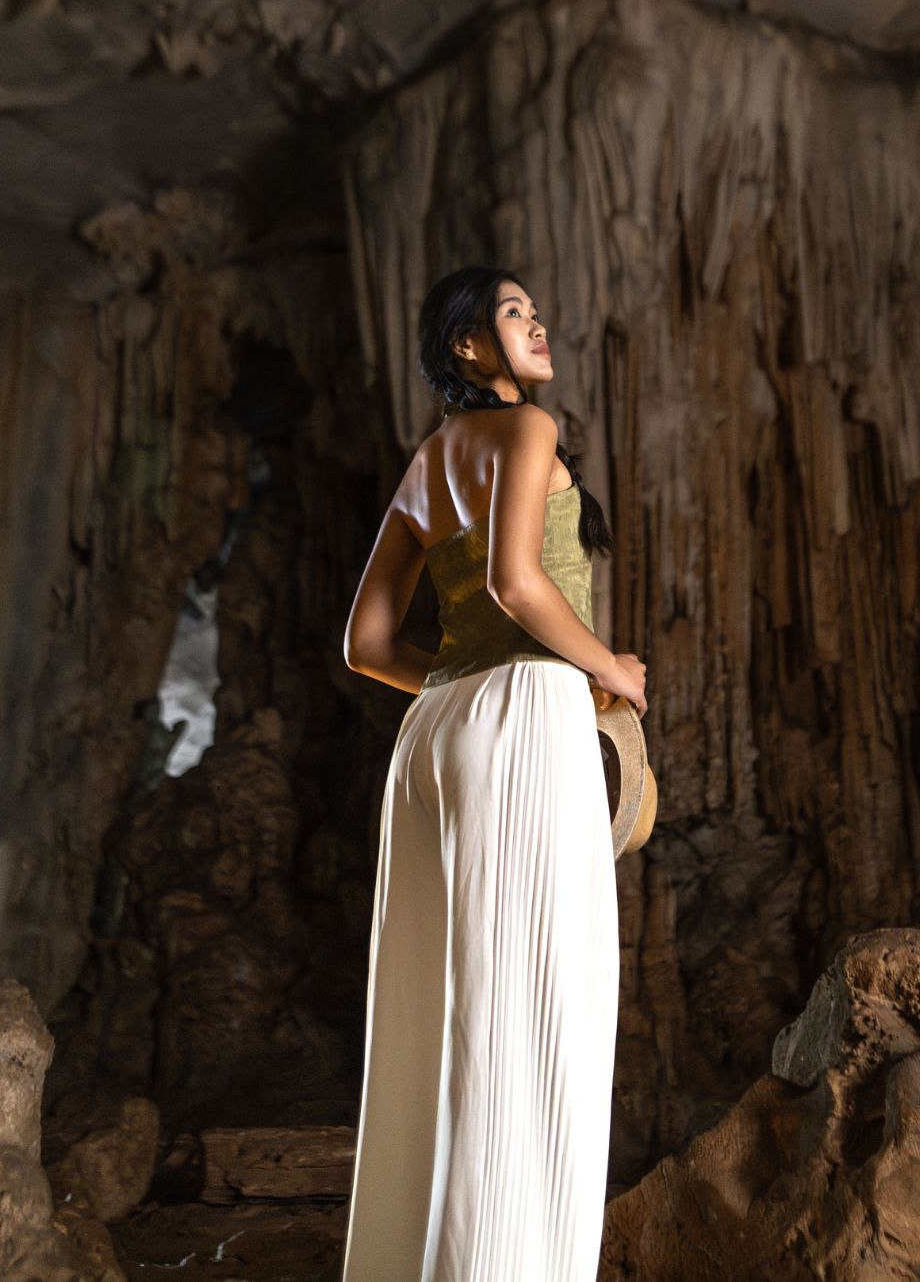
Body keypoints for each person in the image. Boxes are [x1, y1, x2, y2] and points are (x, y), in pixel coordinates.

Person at [337, 265, 648, 1280]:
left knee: (448, 1008)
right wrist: (607, 667)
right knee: (538, 1003)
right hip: (524, 719)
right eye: (512, 312)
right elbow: (518, 581)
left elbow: (367, 641)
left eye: (533, 309)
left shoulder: (429, 460)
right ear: (468, 346)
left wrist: (462, 684)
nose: (537, 322)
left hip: (437, 731)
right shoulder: (528, 431)